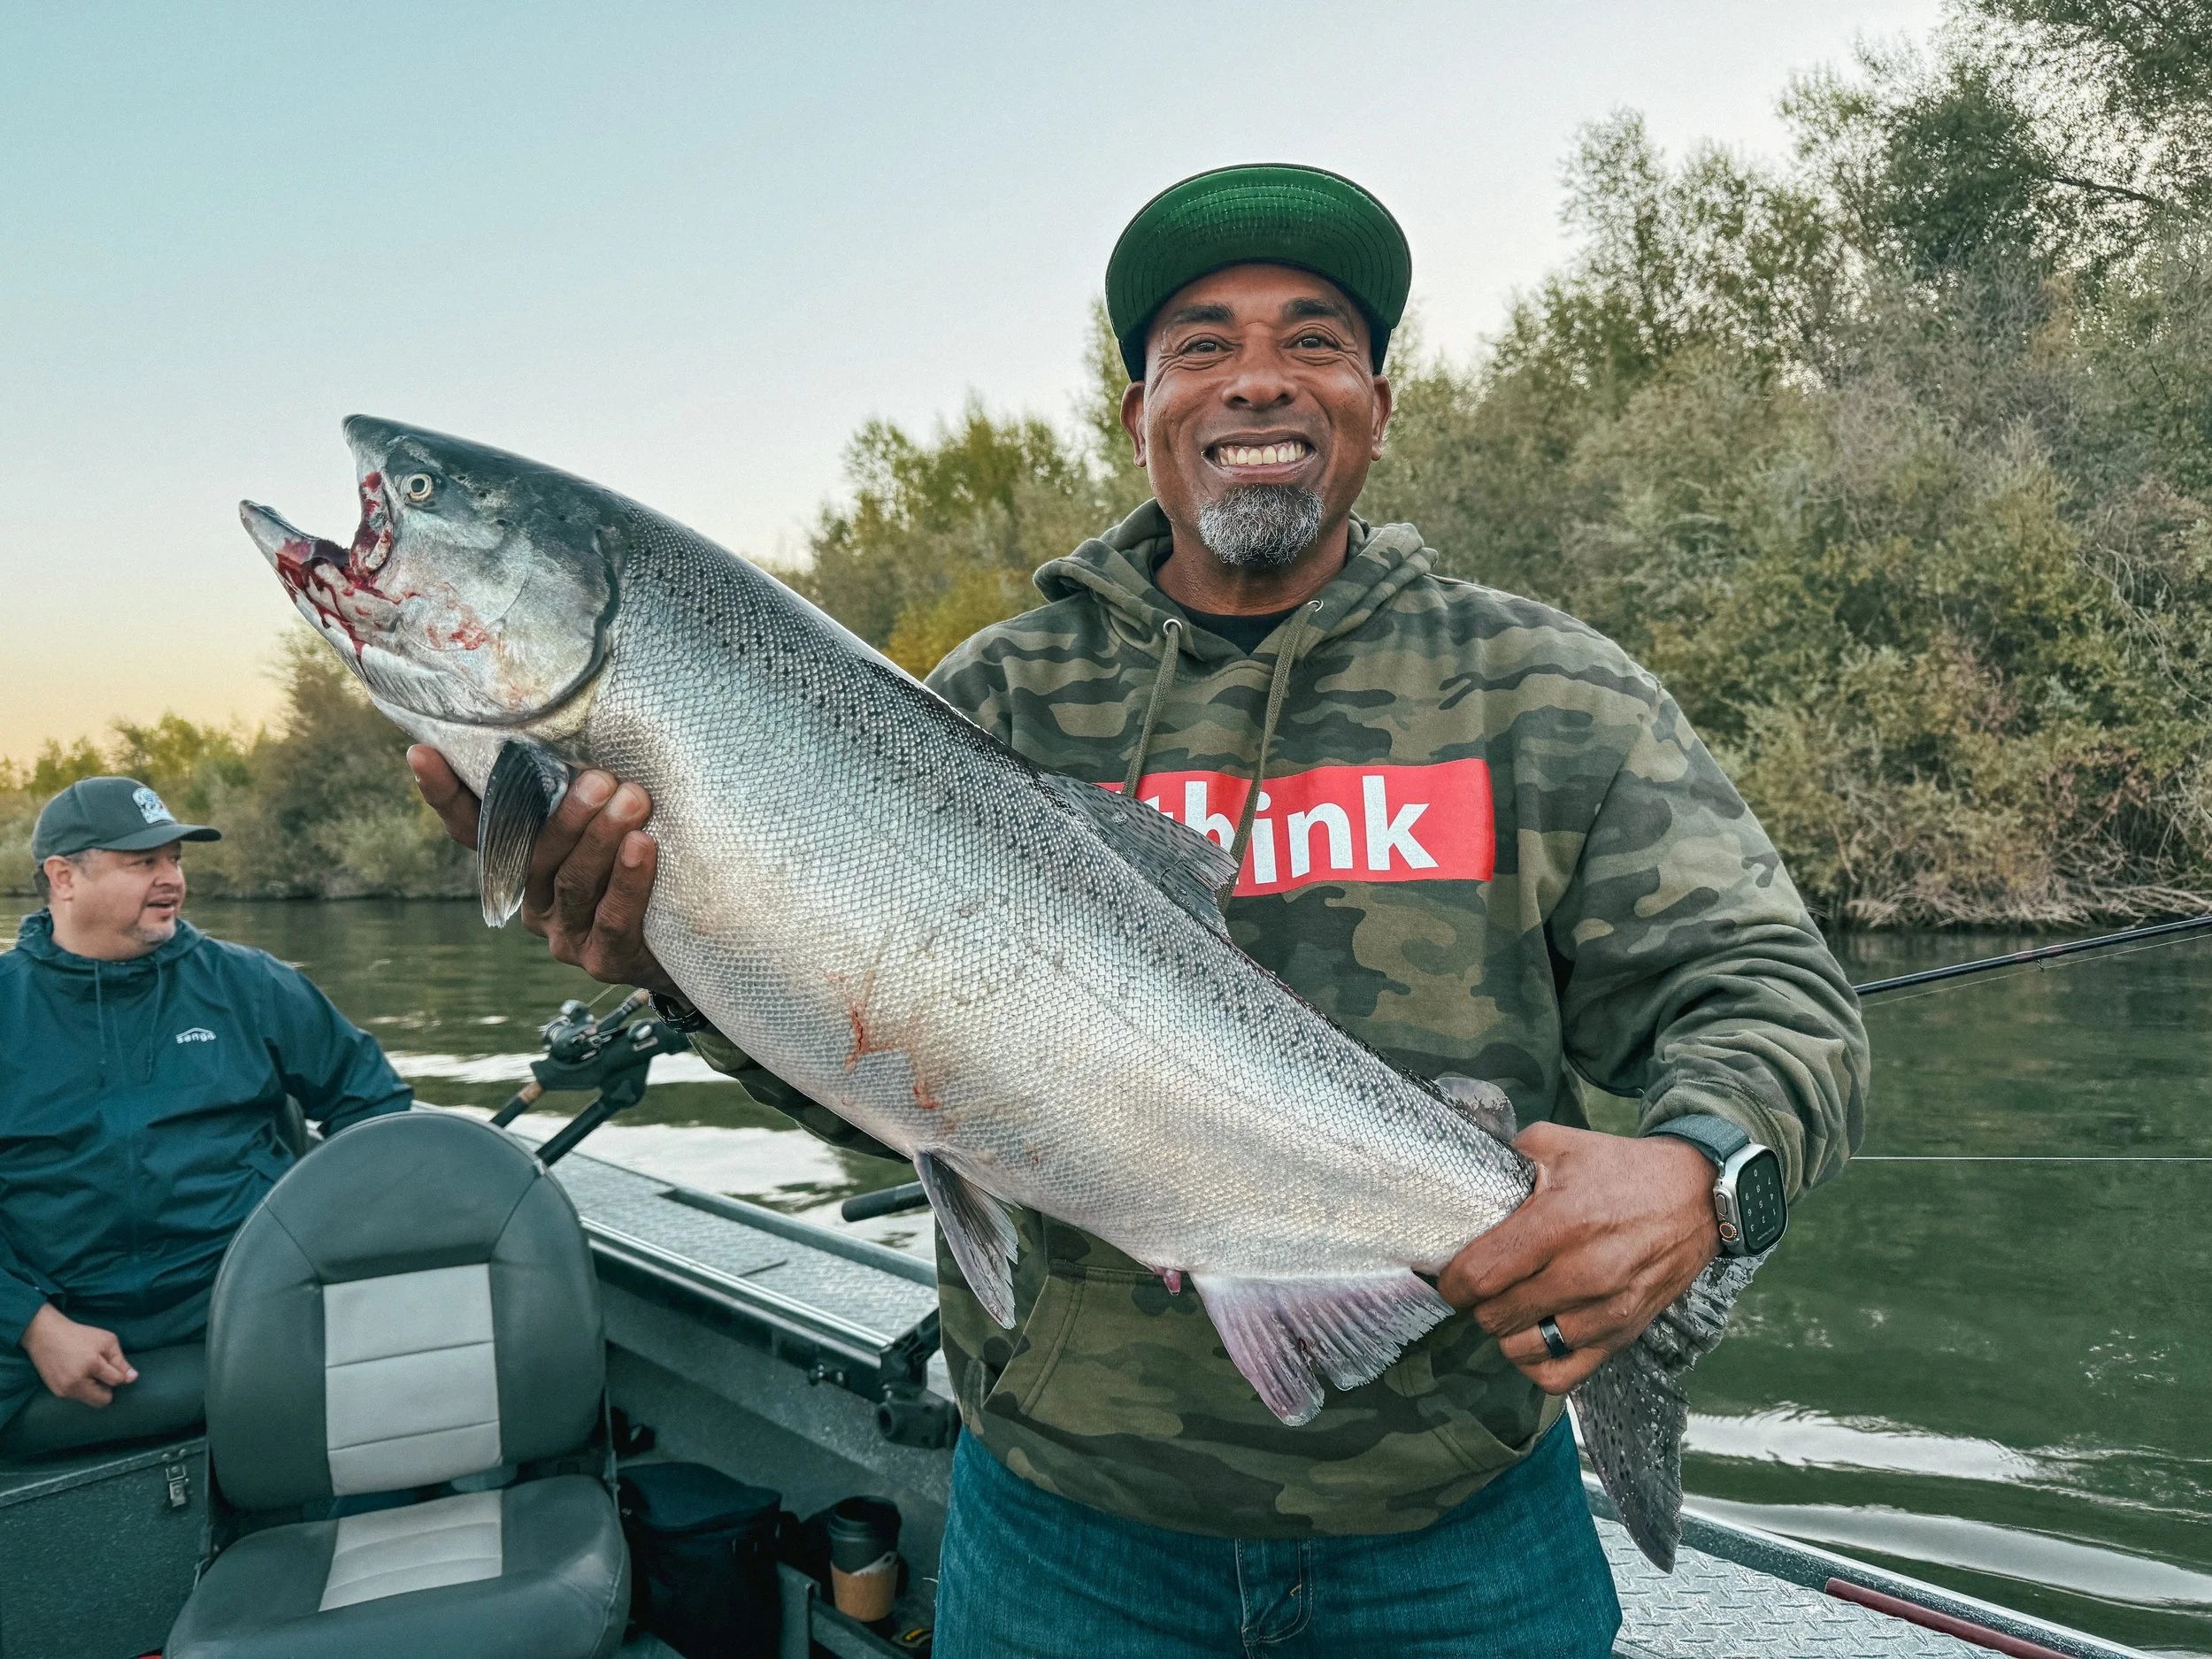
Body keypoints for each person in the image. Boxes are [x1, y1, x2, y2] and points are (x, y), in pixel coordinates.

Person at [410, 164, 1867, 1655]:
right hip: (1065, 1538)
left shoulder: (1545, 692)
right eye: (1201, 346)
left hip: (1462, 1542)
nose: (1258, 381)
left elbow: (1766, 989)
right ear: (1140, 412)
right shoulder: (983, 704)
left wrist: (1705, 1174)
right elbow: (883, 1101)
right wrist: (674, 967)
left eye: (1314, 340)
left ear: (1377, 401)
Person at [0, 776, 411, 1436]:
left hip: (248, 1293)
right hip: (54, 1314)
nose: (170, 879)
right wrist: (32, 1323)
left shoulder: (248, 983)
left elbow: (375, 1106)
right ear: (63, 877)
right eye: (143, 862)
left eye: (175, 859)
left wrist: (323, 1246)